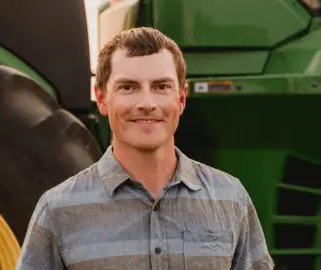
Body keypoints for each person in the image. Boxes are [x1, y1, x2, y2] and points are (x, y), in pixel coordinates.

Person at [15, 27, 274, 270]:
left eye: (161, 87)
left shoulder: (231, 199)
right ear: (102, 99)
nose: (147, 103)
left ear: (181, 99)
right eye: (128, 87)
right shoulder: (58, 210)